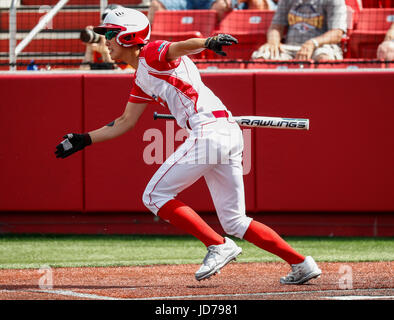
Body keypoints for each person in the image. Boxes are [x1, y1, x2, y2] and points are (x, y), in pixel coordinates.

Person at [55, 7, 321, 284]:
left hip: (209, 131)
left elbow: (180, 47)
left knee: (153, 196)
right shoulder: (142, 76)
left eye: (110, 34)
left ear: (129, 36)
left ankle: (218, 245)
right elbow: (125, 121)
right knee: (234, 221)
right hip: (225, 131)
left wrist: (207, 42)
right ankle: (301, 263)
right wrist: (84, 139)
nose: (106, 41)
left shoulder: (151, 52)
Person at [251, 0, 347, 61]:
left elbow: (337, 33)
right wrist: (273, 42)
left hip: (320, 47)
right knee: (262, 56)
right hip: (289, 48)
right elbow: (276, 26)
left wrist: (312, 43)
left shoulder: (335, 1)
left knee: (324, 58)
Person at [148, 0, 234, 23]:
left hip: (212, 1)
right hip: (187, 1)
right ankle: (152, 50)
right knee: (156, 5)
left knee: (222, 6)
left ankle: (207, 44)